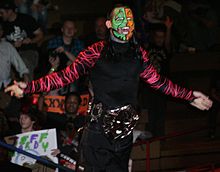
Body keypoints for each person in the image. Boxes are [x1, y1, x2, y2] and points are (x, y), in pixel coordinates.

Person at [5, 4, 213, 172]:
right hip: (97, 132)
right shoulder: (95, 51)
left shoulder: (139, 54)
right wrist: (30, 87)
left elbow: (158, 82)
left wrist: (189, 95)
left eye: (129, 19)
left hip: (123, 134)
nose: (125, 23)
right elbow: (65, 76)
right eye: (120, 19)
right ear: (109, 24)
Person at [38, 92, 87, 171]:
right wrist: (42, 96)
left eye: (74, 102)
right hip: (56, 160)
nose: (71, 104)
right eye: (69, 102)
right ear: (64, 103)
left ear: (79, 105)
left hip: (76, 162)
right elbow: (41, 112)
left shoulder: (84, 121)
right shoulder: (56, 118)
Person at [0, 0, 44, 80]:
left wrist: (30, 40)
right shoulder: (2, 24)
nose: (0, 15)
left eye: (2, 12)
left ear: (9, 11)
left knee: (24, 62)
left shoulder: (26, 19)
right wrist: (12, 45)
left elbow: (40, 35)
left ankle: (28, 90)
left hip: (28, 51)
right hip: (11, 53)